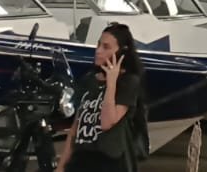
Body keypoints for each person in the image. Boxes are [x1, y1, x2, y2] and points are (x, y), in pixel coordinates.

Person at [58, 22, 144, 172]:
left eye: (106, 47)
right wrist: (61, 166)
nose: (98, 51)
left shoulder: (128, 82)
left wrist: (111, 83)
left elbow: (107, 122)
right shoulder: (89, 79)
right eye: (98, 45)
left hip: (108, 161)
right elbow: (75, 128)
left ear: (122, 51)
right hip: (80, 158)